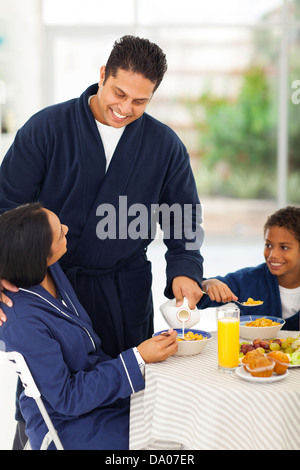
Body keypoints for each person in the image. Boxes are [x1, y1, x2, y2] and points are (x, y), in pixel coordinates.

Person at [0, 35, 204, 358]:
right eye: (119, 93)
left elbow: (184, 219)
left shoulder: (165, 146)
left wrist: (185, 269)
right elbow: (5, 206)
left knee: (128, 391)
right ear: (102, 75)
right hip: (55, 287)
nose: (125, 108)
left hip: (124, 293)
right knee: (58, 397)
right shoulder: (47, 129)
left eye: (140, 101)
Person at [0, 203, 178, 450]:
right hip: (69, 424)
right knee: (173, 437)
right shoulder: (22, 323)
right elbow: (67, 399)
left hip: (97, 401)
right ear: (38, 254)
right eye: (60, 233)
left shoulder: (49, 270)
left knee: (179, 412)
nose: (67, 229)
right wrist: (138, 358)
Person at [200, 206, 300, 331]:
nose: (272, 255)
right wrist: (208, 284)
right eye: (268, 245)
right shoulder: (247, 280)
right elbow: (197, 294)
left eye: (284, 247)